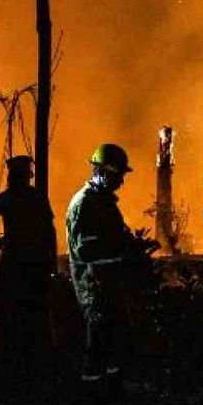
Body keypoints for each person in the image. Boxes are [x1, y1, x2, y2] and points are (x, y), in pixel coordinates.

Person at [65, 143, 142, 389]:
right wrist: (123, 251)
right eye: (117, 176)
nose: (121, 182)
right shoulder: (84, 203)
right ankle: (92, 390)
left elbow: (116, 234)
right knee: (97, 338)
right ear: (101, 171)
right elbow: (86, 249)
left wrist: (134, 245)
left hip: (109, 282)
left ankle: (112, 387)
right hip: (93, 284)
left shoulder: (103, 201)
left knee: (113, 339)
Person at [0, 155, 57, 400]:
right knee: (36, 317)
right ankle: (37, 371)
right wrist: (52, 261)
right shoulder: (36, 197)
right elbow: (50, 231)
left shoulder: (6, 198)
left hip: (14, 264)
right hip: (34, 264)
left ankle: (15, 371)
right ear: (27, 176)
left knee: (13, 317)